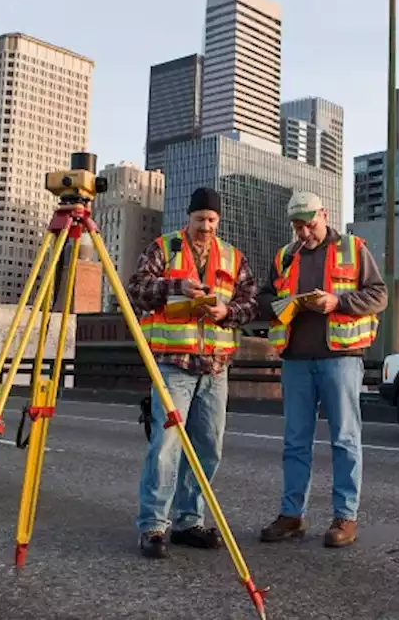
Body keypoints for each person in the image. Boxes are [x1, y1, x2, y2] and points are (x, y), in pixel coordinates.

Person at [125, 186, 259, 559]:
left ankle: (188, 521)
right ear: (189, 218)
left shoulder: (232, 257)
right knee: (166, 447)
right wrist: (176, 286)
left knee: (208, 449)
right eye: (200, 219)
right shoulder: (164, 248)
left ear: (219, 220)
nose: (206, 226)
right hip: (174, 364)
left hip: (215, 367)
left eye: (212, 220)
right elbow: (136, 289)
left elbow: (251, 303)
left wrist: (227, 312)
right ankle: (153, 526)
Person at [256, 191, 388, 549]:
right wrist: (281, 305)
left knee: (344, 438)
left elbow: (379, 295)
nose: (303, 233)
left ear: (324, 215)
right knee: (295, 441)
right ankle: (291, 514)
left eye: (309, 225)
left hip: (341, 357)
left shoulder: (353, 248)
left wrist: (337, 302)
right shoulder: (285, 256)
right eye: (297, 226)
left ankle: (345, 517)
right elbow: (263, 299)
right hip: (296, 359)